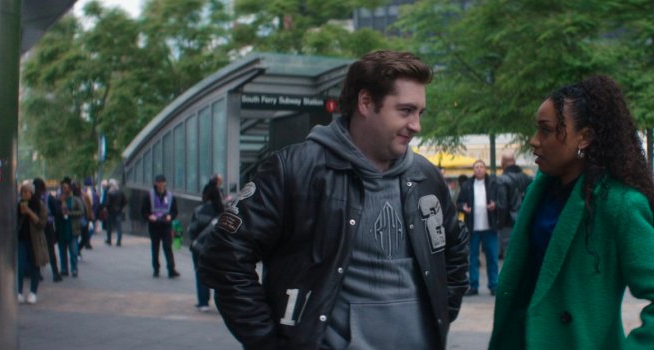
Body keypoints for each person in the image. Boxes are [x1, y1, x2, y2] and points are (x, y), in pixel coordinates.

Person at [199, 50, 469, 349]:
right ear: (365, 103)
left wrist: (440, 313)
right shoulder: (294, 170)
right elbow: (225, 256)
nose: (416, 125)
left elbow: (455, 250)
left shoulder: (426, 177)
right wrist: (268, 342)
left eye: (420, 112)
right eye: (405, 111)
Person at [489, 76, 654, 349]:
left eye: (546, 131)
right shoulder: (541, 190)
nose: (534, 141)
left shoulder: (619, 205)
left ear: (584, 138)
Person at [457, 159, 502, 296]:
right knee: (472, 258)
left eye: (481, 167)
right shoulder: (467, 185)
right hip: (473, 227)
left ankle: (494, 285)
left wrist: (495, 205)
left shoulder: (493, 184)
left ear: (485, 169)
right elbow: (459, 202)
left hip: (490, 227)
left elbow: (501, 201)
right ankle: (473, 285)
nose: (479, 169)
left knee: (492, 258)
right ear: (473, 170)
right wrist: (463, 208)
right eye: (476, 167)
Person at [188, 181, 224, 312]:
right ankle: (221, 302)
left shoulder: (199, 210)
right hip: (217, 249)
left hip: (199, 248)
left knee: (200, 273)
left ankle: (203, 302)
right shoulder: (224, 212)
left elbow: (192, 230)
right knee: (218, 275)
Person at [142, 174, 180, 278]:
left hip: (166, 225)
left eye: (162, 182)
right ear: (155, 183)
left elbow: (174, 211)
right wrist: (149, 217)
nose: (160, 184)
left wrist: (170, 217)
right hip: (154, 225)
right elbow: (144, 211)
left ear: (165, 183)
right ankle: (156, 269)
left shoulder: (170, 196)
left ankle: (171, 269)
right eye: (158, 182)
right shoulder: (149, 196)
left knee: (168, 247)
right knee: (155, 247)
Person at [497, 150, 532, 259]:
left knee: (510, 259)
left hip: (508, 224)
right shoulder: (527, 177)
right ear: (514, 161)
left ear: (502, 163)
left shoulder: (502, 180)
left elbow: (502, 205)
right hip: (526, 221)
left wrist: (499, 224)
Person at [17, 183, 48, 304]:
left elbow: (41, 224)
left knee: (35, 266)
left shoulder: (39, 205)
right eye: (22, 192)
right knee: (20, 266)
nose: (24, 194)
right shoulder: (17, 205)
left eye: (27, 192)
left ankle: (33, 292)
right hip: (21, 240)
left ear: (32, 193)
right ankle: (19, 292)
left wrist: (29, 212)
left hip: (35, 241)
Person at [34, 178, 62, 282]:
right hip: (48, 226)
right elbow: (57, 212)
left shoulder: (34, 198)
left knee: (37, 249)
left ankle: (37, 274)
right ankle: (55, 273)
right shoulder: (49, 197)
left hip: (37, 226)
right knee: (50, 250)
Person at [55, 178, 83, 277]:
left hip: (72, 228)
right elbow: (55, 212)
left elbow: (81, 211)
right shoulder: (58, 199)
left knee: (73, 251)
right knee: (62, 251)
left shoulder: (75, 199)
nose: (64, 189)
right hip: (61, 228)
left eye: (66, 187)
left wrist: (70, 213)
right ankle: (64, 269)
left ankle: (74, 269)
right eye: (62, 187)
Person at [103, 179, 127, 246]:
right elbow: (125, 201)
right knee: (119, 226)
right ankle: (119, 241)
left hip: (110, 211)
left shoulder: (109, 192)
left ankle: (109, 239)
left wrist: (106, 208)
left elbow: (107, 203)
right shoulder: (120, 192)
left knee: (109, 226)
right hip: (118, 210)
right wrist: (121, 207)